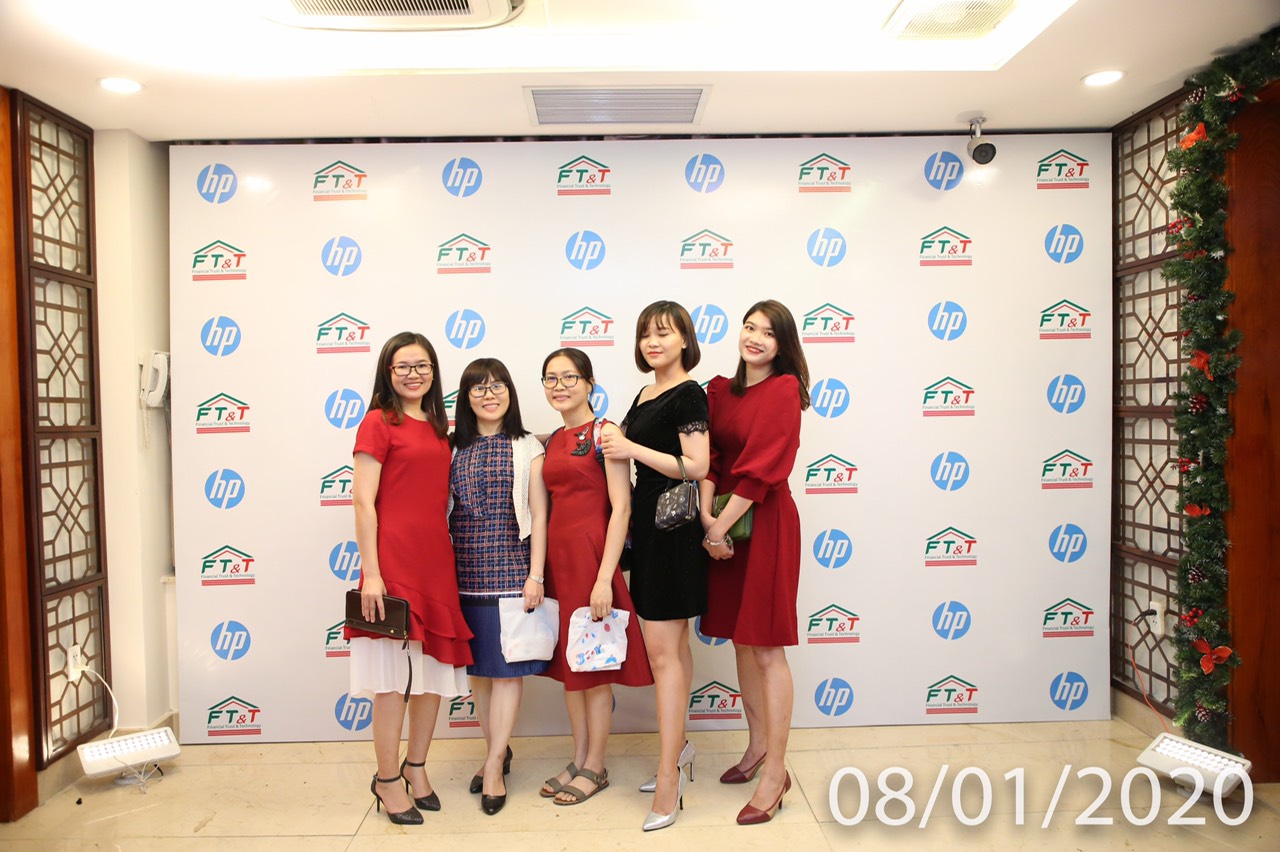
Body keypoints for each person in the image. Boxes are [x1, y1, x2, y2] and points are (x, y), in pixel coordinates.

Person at [348, 331, 473, 825]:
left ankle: (416, 767)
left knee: (432, 677)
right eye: (403, 366)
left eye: (422, 366)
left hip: (437, 561)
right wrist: (372, 574)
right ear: (388, 372)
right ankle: (386, 779)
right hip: (393, 562)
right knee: (392, 682)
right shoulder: (378, 421)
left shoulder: (440, 428)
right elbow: (363, 501)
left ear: (433, 372)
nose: (413, 374)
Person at [697, 300, 810, 826]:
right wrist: (707, 517)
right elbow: (710, 460)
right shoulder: (721, 390)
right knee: (742, 640)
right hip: (722, 520)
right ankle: (757, 745)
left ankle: (776, 772)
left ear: (782, 345)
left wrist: (719, 526)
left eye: (768, 332)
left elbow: (763, 466)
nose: (755, 338)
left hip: (763, 524)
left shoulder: (784, 389)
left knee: (765, 645)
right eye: (749, 327)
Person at [600, 301, 708, 832]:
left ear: (685, 339)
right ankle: (679, 750)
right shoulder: (645, 393)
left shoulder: (689, 394)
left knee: (665, 657)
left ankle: (668, 777)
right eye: (646, 333)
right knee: (675, 652)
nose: (653, 342)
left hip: (673, 534)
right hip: (647, 532)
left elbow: (697, 465)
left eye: (664, 333)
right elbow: (620, 450)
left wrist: (630, 447)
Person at [538, 347, 653, 806]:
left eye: (569, 377)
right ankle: (579, 757)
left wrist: (605, 578)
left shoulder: (606, 433)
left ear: (589, 383)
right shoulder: (552, 440)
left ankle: (596, 765)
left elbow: (621, 509)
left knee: (595, 666)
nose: (560, 386)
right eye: (551, 378)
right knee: (572, 668)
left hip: (592, 561)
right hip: (559, 563)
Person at [449, 358, 549, 817]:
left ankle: (492, 767)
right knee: (480, 673)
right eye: (479, 388)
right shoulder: (452, 447)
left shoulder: (528, 446)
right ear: (465, 398)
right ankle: (498, 752)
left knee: (507, 670)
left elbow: (539, 514)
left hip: (512, 569)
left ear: (510, 392)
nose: (489, 395)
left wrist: (536, 574)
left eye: (498, 386)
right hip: (463, 574)